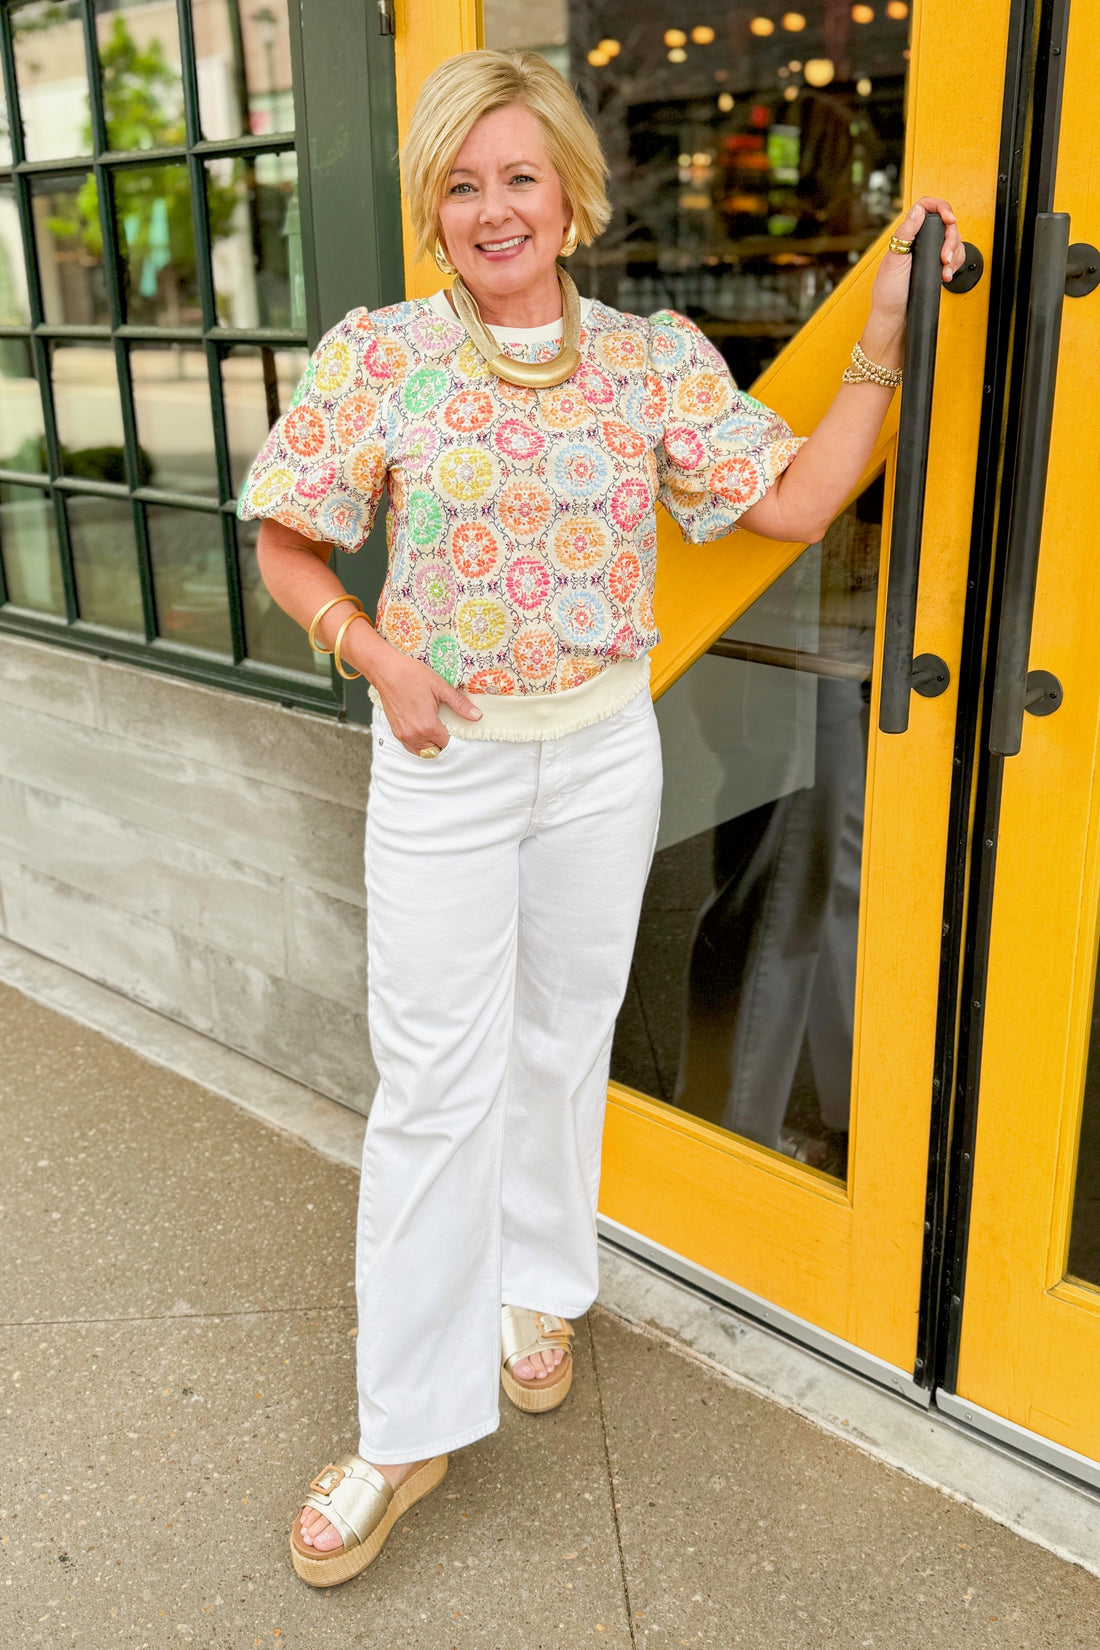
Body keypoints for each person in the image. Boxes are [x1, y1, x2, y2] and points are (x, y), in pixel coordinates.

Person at [238, 47, 964, 1588]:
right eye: (460, 182)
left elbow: (790, 502)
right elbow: (290, 539)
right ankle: (403, 1424)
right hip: (444, 760)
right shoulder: (382, 356)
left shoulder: (648, 360)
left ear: (572, 191)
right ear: (435, 211)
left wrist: (882, 343)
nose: (493, 208)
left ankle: (540, 1285)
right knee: (435, 1080)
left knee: (568, 1032)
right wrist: (376, 652)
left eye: (520, 175)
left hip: (598, 751)